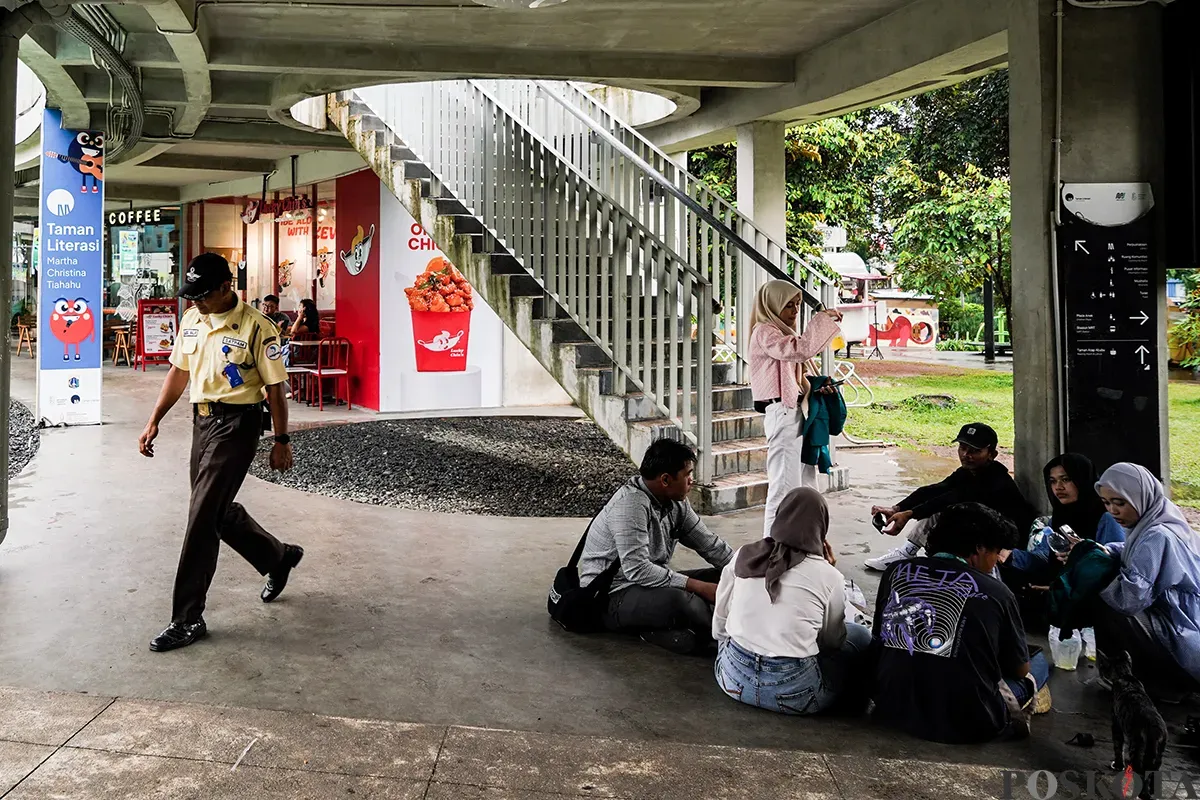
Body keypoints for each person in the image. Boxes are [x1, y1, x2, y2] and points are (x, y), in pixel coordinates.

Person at [138, 253, 305, 653]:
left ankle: (187, 618)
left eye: (202, 295)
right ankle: (278, 557)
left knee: (200, 517)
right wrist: (154, 418)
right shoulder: (193, 320)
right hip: (203, 422)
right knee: (213, 509)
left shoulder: (258, 328)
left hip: (238, 425)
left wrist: (281, 441)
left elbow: (275, 390)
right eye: (190, 295)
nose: (194, 302)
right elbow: (179, 372)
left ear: (226, 288)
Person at [870, 502, 1051, 743]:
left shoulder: (896, 571)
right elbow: (1020, 670)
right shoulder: (997, 592)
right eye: (996, 552)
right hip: (969, 721)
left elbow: (879, 637)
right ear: (979, 548)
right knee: (1038, 662)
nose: (996, 561)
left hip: (890, 706)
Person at [713, 487, 872, 715]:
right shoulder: (828, 576)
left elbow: (720, 622)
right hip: (796, 695)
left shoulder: (744, 555)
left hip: (732, 681)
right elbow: (831, 642)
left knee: (732, 631)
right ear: (821, 526)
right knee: (859, 635)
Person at [578, 439, 734, 655]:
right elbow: (637, 569)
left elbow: (710, 545)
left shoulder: (677, 503)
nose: (692, 480)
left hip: (648, 584)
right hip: (611, 595)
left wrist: (745, 571)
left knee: (724, 576)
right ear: (666, 480)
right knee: (682, 599)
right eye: (688, 474)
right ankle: (733, 638)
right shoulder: (630, 505)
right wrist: (698, 587)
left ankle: (671, 629)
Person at [865, 423, 1037, 571]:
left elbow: (951, 498)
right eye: (963, 448)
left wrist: (910, 514)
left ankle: (911, 554)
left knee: (947, 512)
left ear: (992, 454)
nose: (966, 455)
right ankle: (908, 552)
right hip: (984, 532)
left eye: (975, 451)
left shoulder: (997, 481)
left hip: (1006, 541)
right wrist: (897, 508)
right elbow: (936, 489)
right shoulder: (968, 471)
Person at [1089, 463, 1200, 692]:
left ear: (1141, 497)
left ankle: (1156, 683)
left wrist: (1094, 574)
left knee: (1106, 602)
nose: (1113, 510)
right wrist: (1108, 550)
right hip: (1188, 624)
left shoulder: (1155, 535)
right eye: (1106, 503)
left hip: (1182, 637)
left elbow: (1130, 600)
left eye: (1120, 503)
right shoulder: (1161, 516)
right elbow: (1133, 550)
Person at [748, 279, 842, 538]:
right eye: (788, 305)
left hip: (795, 412)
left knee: (805, 486)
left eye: (797, 305)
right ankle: (771, 550)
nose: (794, 311)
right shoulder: (765, 331)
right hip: (782, 413)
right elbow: (800, 351)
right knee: (783, 489)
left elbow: (799, 365)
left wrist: (814, 388)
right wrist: (821, 321)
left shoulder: (781, 333)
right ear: (772, 306)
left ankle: (803, 546)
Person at [1004, 453, 1125, 576]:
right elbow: (1046, 558)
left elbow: (1114, 565)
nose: (1058, 487)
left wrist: (1084, 557)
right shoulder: (1060, 516)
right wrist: (1010, 556)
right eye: (1053, 481)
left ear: (1082, 480)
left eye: (1066, 479)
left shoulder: (1106, 517)